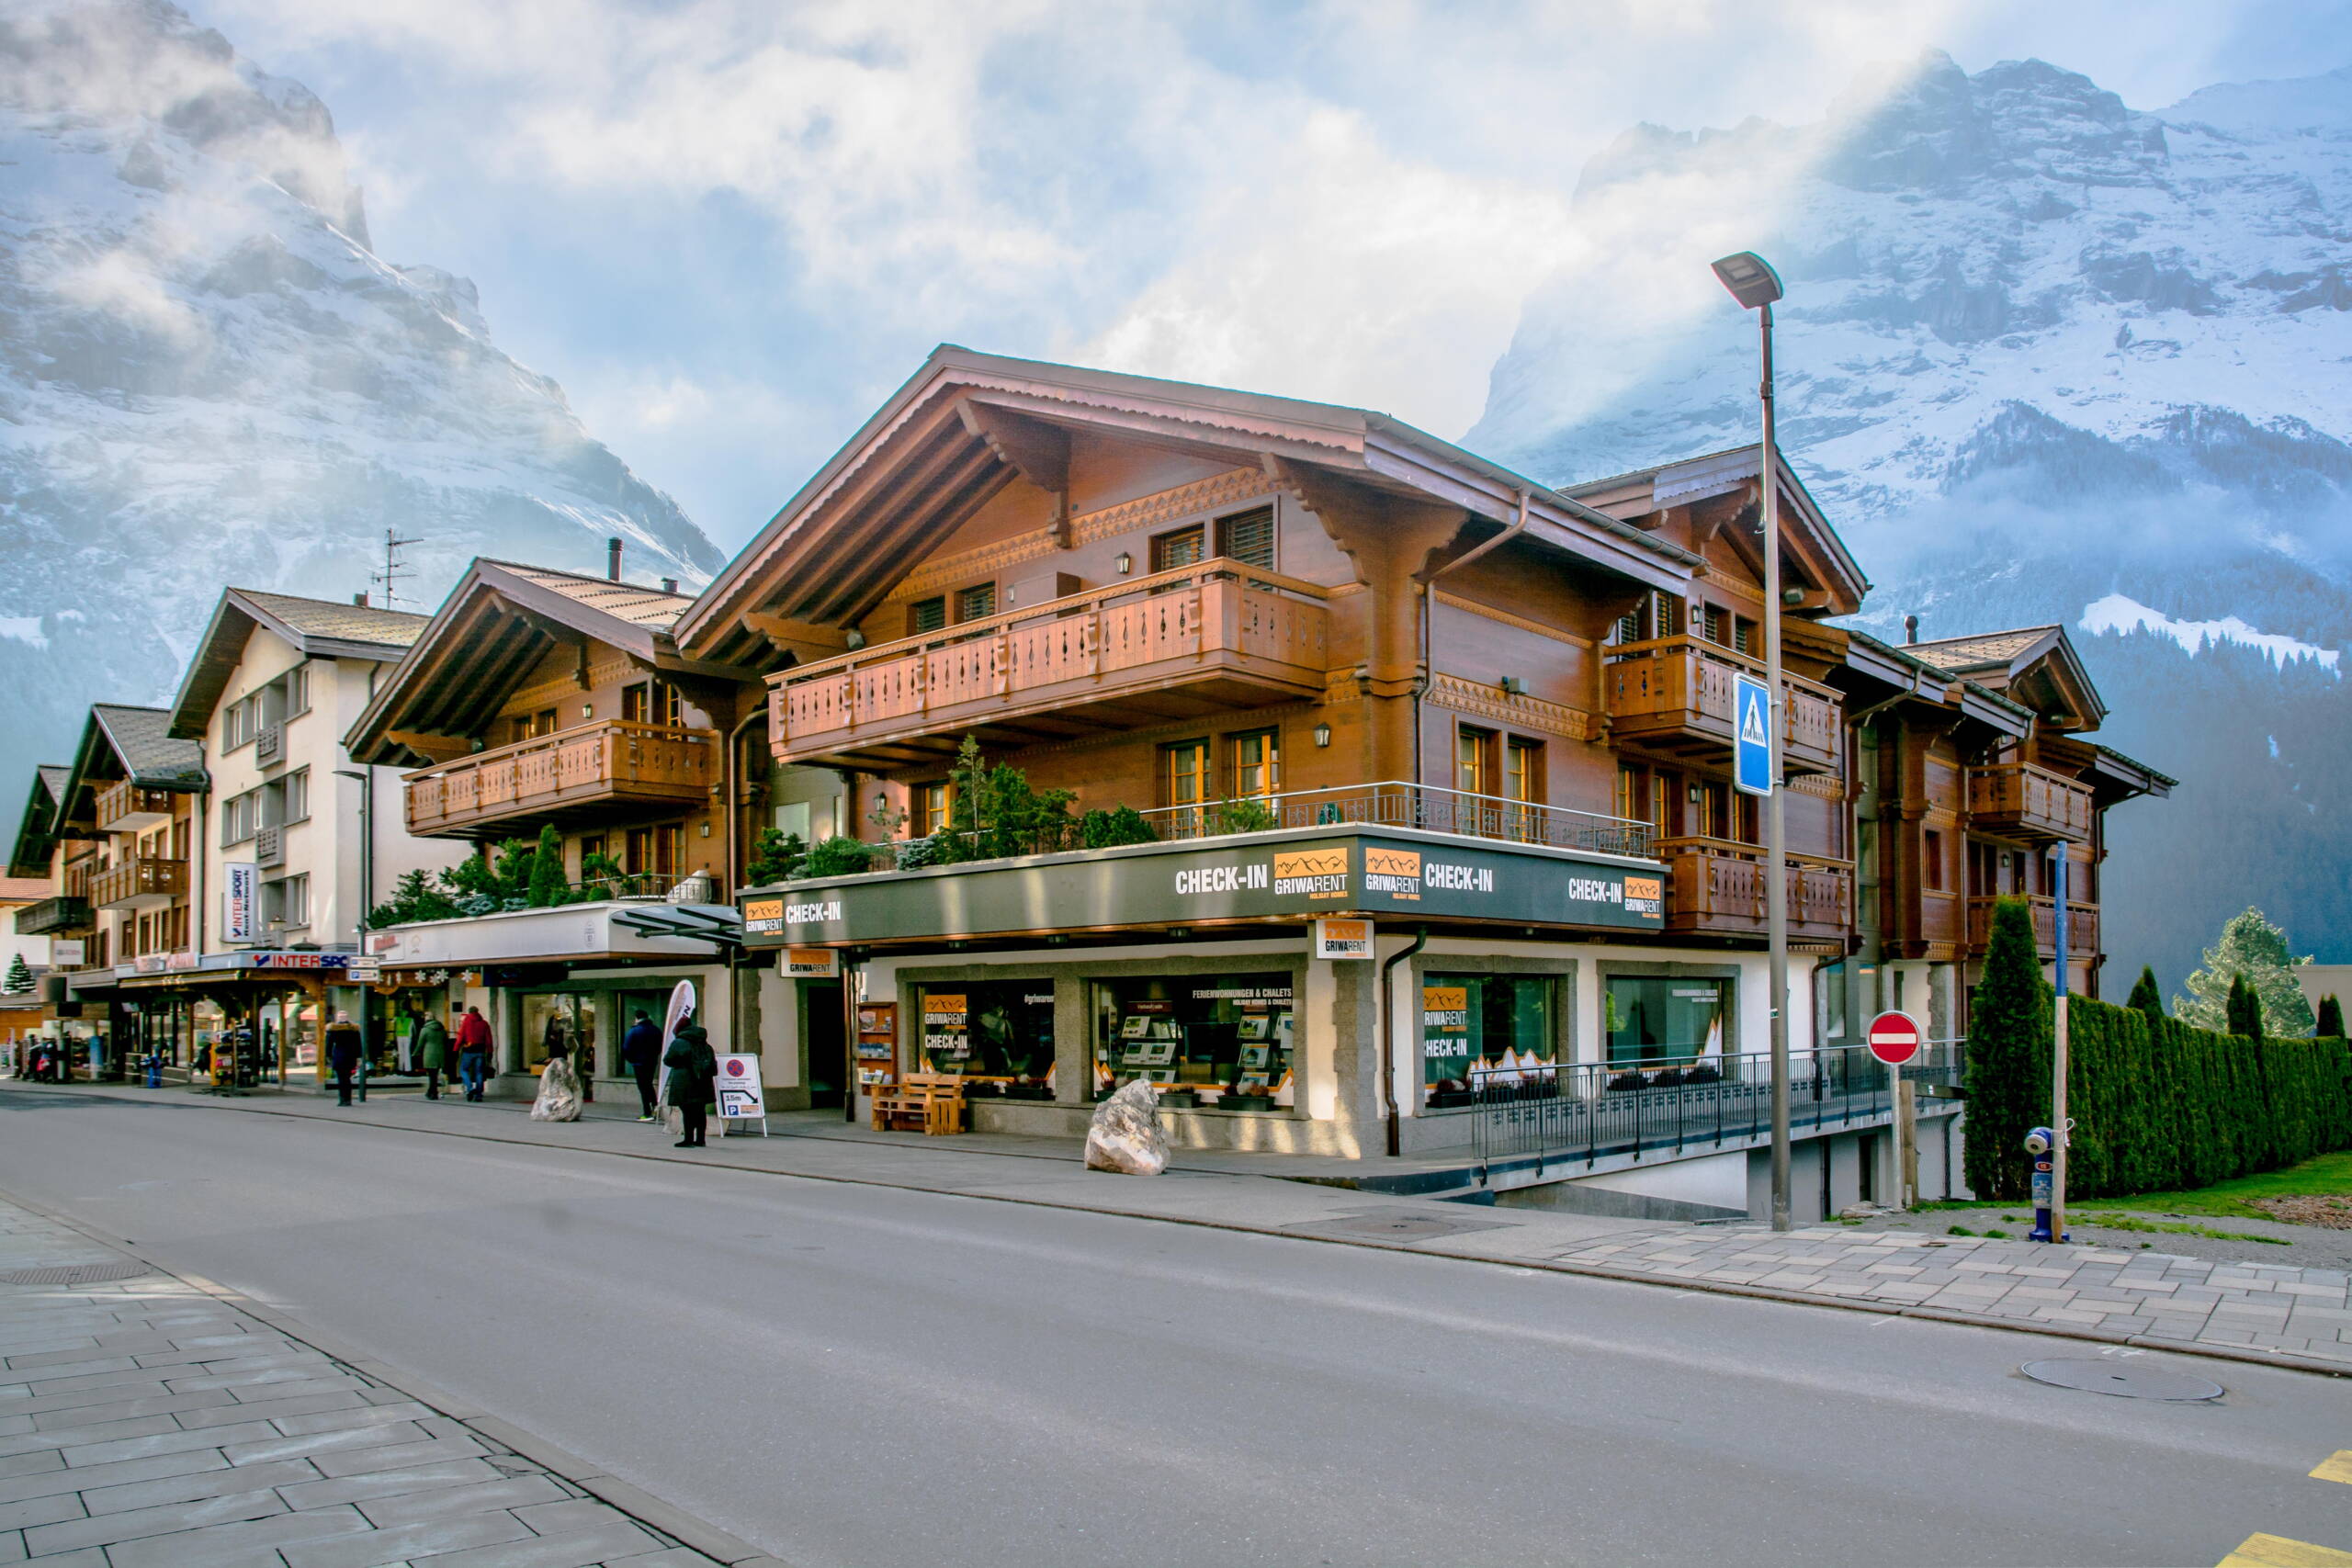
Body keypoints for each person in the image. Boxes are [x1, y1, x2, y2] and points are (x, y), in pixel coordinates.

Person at [662, 1019, 718, 1148]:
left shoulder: (679, 1042)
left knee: (687, 1110)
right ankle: (700, 1139)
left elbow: (668, 1060)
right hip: (703, 1081)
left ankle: (688, 1139)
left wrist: (680, 1064)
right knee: (700, 1110)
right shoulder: (704, 1043)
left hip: (685, 1080)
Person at [620, 1010, 662, 1121]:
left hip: (639, 1063)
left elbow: (626, 1048)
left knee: (643, 1087)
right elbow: (659, 1046)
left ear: (636, 1018)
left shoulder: (634, 1031)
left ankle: (647, 1112)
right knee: (648, 1084)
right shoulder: (656, 1030)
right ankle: (655, 1106)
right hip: (651, 1061)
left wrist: (632, 1060)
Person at [529, 1034, 582, 1122]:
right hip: (561, 1065)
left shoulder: (551, 1068)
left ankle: (555, 1110)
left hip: (555, 1067)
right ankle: (561, 1110)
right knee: (561, 1090)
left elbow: (543, 1088)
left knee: (555, 1090)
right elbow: (575, 1086)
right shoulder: (564, 1065)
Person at [455, 1004, 492, 1101]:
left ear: (469, 1012)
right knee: (479, 1072)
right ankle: (479, 1095)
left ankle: (470, 1087)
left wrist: (455, 1049)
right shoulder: (484, 1024)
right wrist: (490, 1052)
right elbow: (489, 1040)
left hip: (469, 1050)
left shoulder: (466, 1023)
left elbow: (460, 1037)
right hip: (480, 1050)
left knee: (463, 1070)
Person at [324, 1010, 362, 1107]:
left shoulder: (333, 1029)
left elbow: (329, 1044)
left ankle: (342, 1099)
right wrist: (358, 1057)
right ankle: (348, 1099)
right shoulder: (354, 1029)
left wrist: (328, 1056)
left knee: (341, 1079)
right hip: (350, 1056)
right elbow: (358, 1044)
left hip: (339, 1056)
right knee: (347, 1078)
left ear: (338, 1018)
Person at [415, 1009, 449, 1100]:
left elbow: (420, 1043)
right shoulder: (442, 1029)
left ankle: (433, 1092)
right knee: (435, 1074)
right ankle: (431, 1092)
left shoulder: (425, 1030)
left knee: (431, 1074)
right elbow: (446, 1042)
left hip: (429, 1054)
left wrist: (415, 1053)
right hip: (440, 1054)